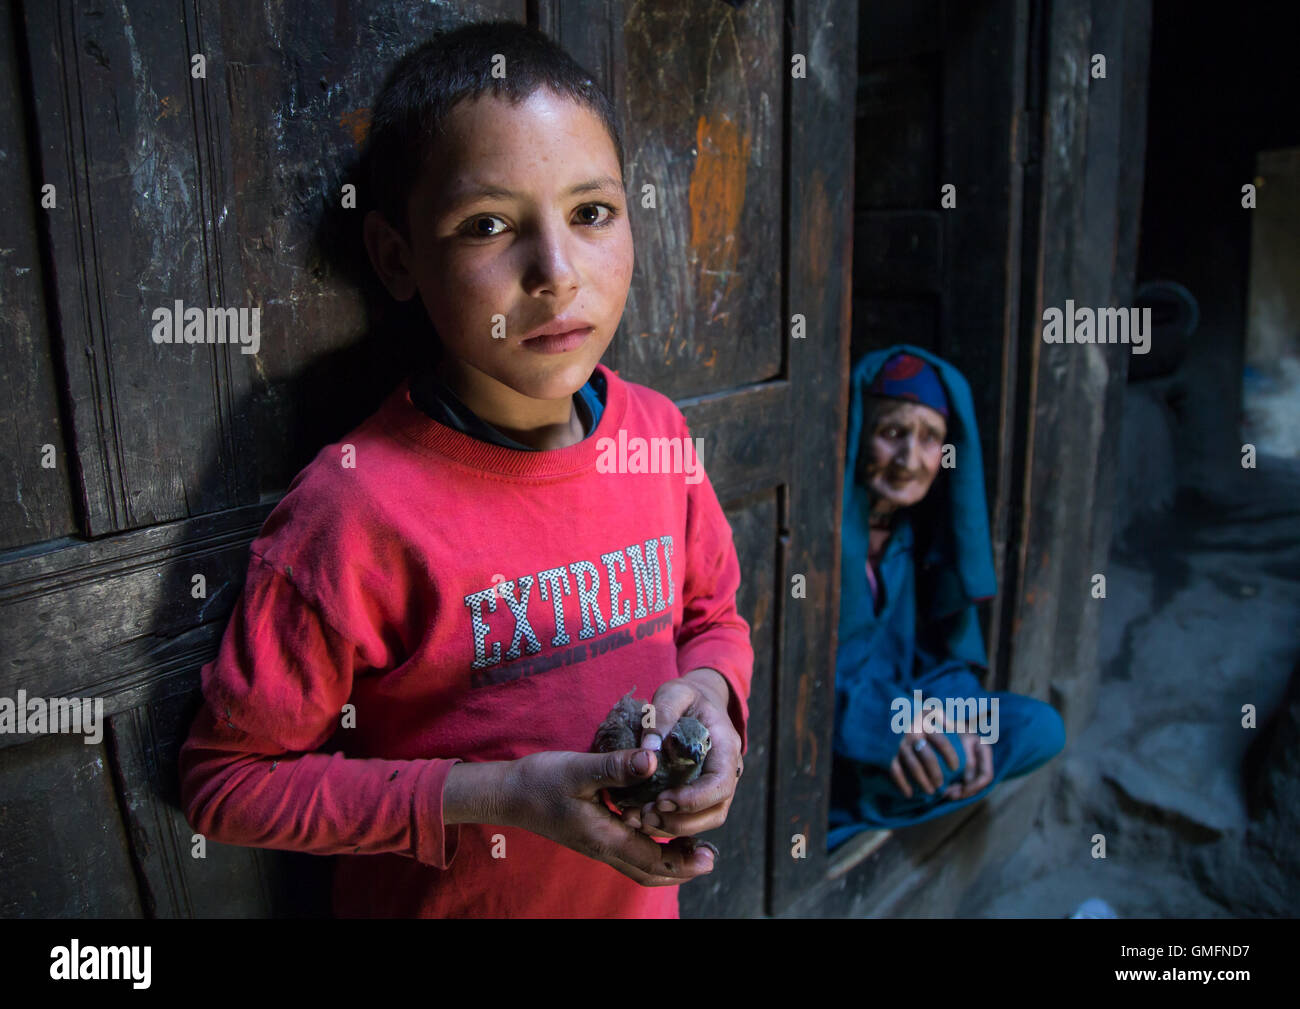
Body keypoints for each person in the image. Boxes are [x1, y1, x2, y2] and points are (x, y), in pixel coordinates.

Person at [178, 20, 753, 918]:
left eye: (591, 213)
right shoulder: (358, 506)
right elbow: (227, 781)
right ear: (397, 258)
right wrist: (493, 794)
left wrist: (713, 703)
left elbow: (712, 618)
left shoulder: (658, 435)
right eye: (488, 225)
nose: (556, 274)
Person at [829, 345, 1065, 849]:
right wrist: (887, 723)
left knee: (1039, 729)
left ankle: (893, 793)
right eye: (891, 433)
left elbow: (940, 658)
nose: (909, 460)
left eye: (930, 438)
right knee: (948, 759)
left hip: (909, 717)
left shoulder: (912, 535)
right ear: (858, 433)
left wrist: (960, 713)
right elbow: (783, 677)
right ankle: (841, 811)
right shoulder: (815, 533)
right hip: (836, 735)